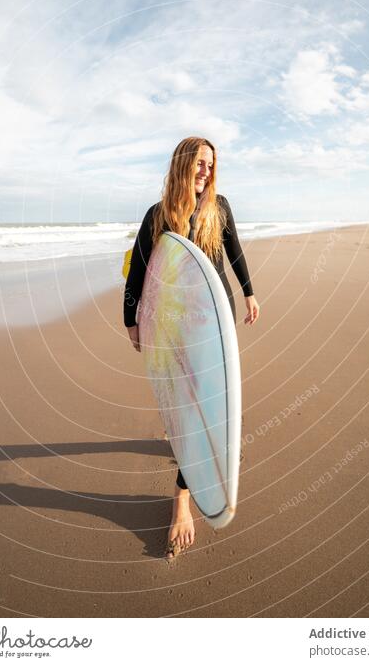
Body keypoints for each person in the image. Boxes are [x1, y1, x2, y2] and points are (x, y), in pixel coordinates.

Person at [123, 136, 260, 558]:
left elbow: (233, 252)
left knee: (208, 405)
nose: (205, 171)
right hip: (173, 325)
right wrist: (131, 320)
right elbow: (141, 271)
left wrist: (250, 293)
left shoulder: (220, 208)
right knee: (184, 401)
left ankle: (182, 497)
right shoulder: (158, 215)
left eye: (211, 165)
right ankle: (180, 433)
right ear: (183, 165)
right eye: (200, 163)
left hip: (213, 324)